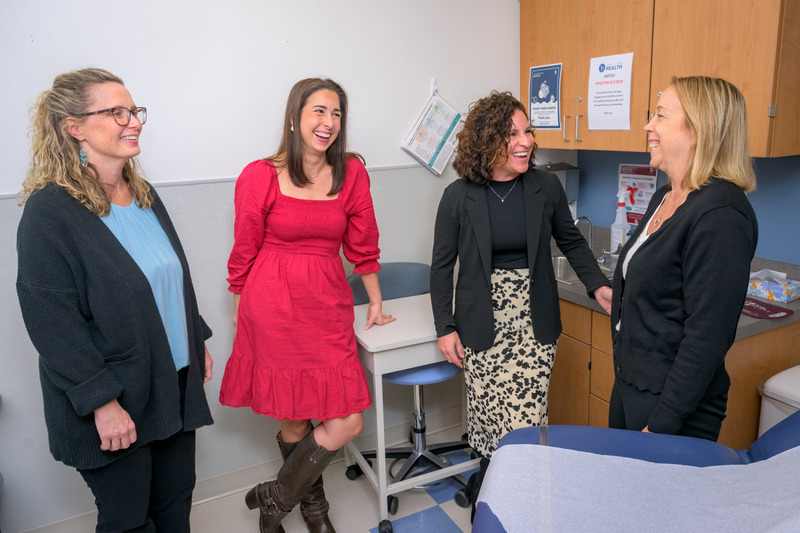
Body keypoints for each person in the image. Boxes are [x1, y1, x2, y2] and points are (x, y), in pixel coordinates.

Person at [16, 68, 214, 532]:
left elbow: (170, 279)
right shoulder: (50, 212)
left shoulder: (142, 194)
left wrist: (196, 335)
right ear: (74, 127)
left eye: (135, 111)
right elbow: (52, 323)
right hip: (114, 397)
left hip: (171, 381)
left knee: (175, 504)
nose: (134, 121)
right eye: (116, 112)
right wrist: (103, 403)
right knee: (128, 519)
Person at [219, 77, 394, 533]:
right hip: (272, 305)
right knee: (294, 415)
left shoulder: (352, 172)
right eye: (319, 111)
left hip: (326, 305)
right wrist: (239, 301)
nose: (328, 122)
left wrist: (375, 300)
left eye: (336, 114)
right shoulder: (259, 174)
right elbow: (244, 247)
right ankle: (316, 512)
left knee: (347, 420)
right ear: (295, 118)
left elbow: (364, 243)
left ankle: (273, 498)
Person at [430, 91, 612, 516]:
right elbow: (441, 267)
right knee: (489, 415)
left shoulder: (544, 187)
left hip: (533, 321)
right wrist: (445, 326)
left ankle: (511, 500)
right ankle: (495, 493)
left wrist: (597, 285)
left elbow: (570, 240)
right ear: (488, 141)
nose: (525, 141)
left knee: (526, 420)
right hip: (480, 320)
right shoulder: (459, 197)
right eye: (512, 133)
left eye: (527, 130)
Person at [609, 76, 758, 441]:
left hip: (672, 408)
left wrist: (659, 426)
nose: (648, 126)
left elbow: (705, 339)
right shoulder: (665, 196)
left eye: (660, 115)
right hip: (633, 383)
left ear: (698, 129)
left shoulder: (721, 214)